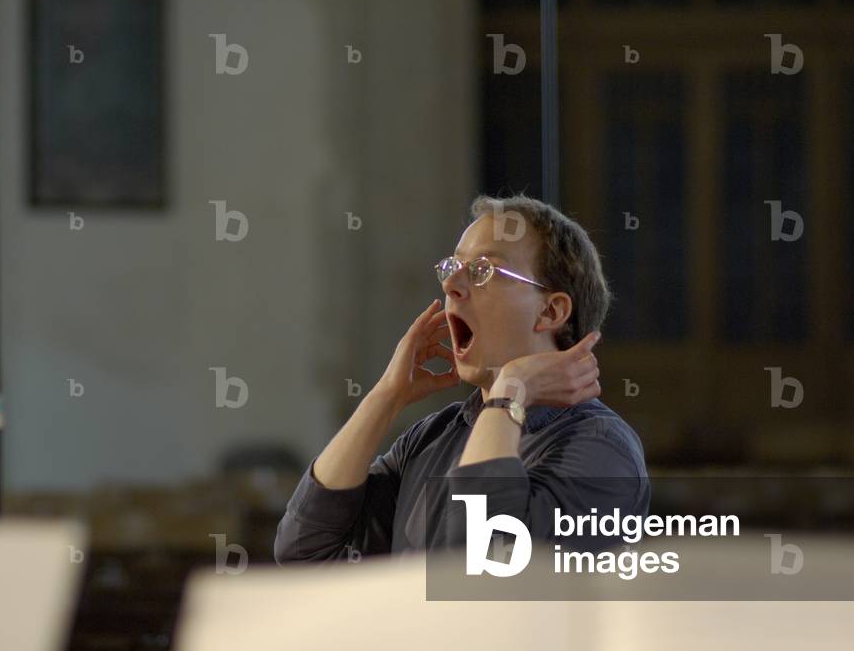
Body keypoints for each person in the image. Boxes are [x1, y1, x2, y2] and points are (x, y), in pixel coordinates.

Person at [274, 195, 649, 564]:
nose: (451, 284)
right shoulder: (433, 437)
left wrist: (508, 397)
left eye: (483, 270)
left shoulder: (602, 448)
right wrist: (386, 396)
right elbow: (304, 552)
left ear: (551, 310)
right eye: (452, 267)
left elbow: (484, 567)